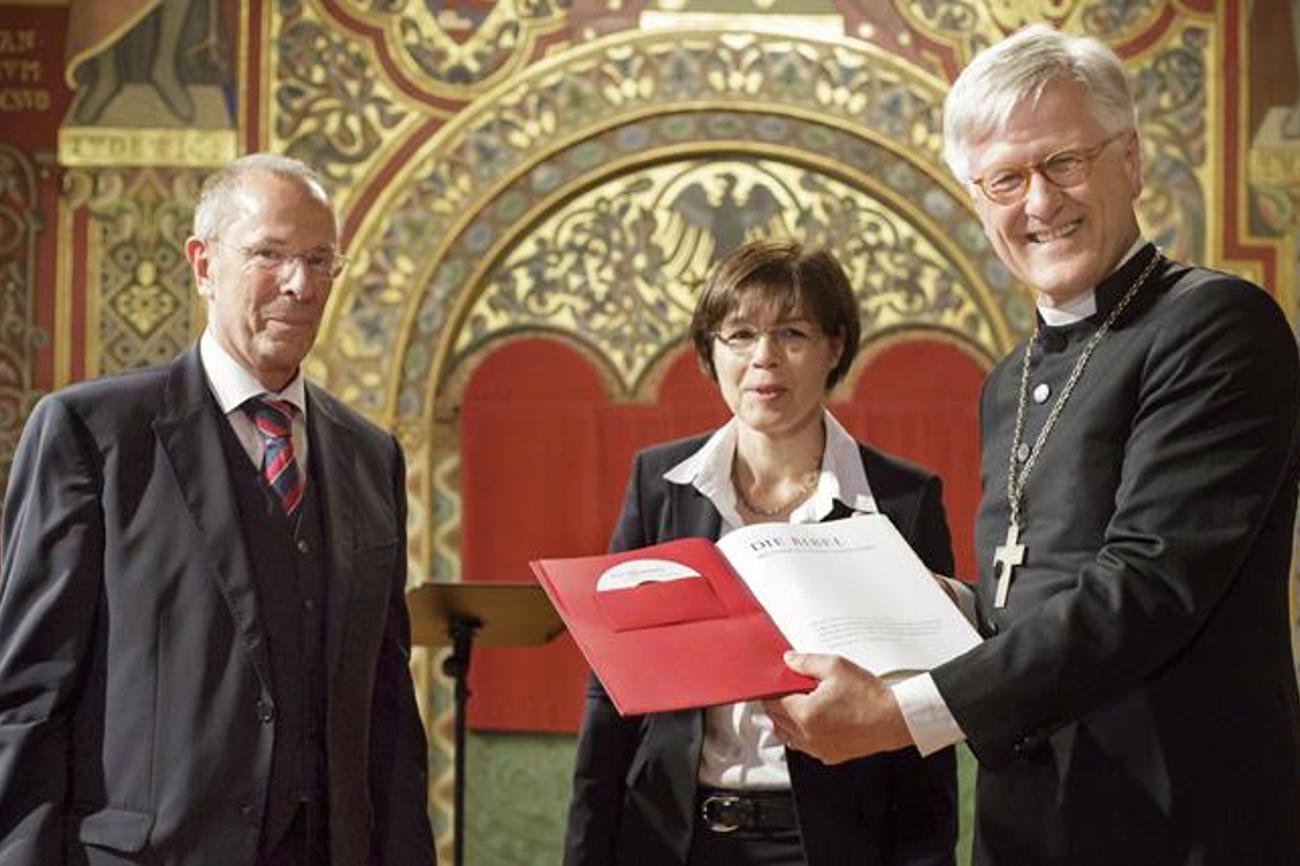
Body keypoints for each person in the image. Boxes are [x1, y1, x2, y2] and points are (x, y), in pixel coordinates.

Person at [766, 23, 1300, 866]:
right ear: (978, 201)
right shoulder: (1009, 378)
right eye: (1006, 179)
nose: (1040, 203)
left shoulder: (1214, 325)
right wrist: (934, 606)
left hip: (1181, 825)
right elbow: (1040, 583)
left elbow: (1149, 584)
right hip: (1028, 825)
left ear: (1130, 160)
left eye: (1065, 163)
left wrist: (908, 714)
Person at [0, 153, 437, 865]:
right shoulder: (93, 434)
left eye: (320, 259)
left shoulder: (370, 456)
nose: (300, 285)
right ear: (203, 265)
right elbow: (28, 696)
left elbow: (387, 709)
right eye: (270, 254)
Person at [564, 240, 957, 866]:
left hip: (830, 842)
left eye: (792, 334)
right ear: (709, 352)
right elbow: (610, 695)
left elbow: (924, 716)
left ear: (834, 347)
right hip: (670, 838)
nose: (763, 359)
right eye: (740, 334)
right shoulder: (657, 483)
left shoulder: (901, 500)